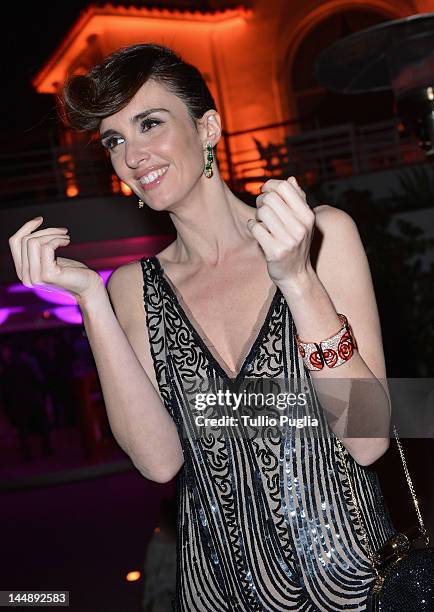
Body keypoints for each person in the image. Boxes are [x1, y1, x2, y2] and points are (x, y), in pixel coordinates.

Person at [8, 44, 398, 610]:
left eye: (150, 123)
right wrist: (91, 300)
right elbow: (158, 461)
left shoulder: (321, 235)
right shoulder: (130, 289)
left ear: (208, 126)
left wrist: (296, 279)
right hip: (215, 592)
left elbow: (367, 438)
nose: (133, 155)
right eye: (114, 140)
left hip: (353, 586)